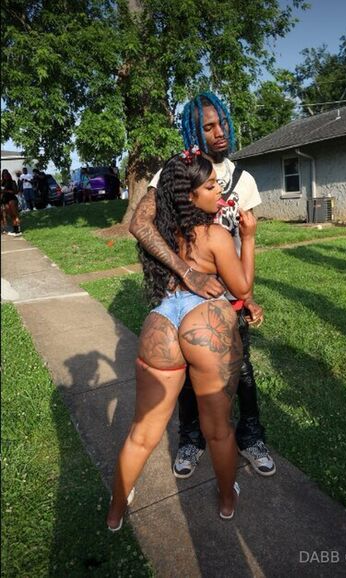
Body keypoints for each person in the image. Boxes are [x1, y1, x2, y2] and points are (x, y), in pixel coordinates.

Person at [107, 151, 257, 530]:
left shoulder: (165, 233)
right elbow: (242, 288)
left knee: (142, 433)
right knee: (218, 430)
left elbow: (142, 228)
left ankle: (115, 510)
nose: (219, 189)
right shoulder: (215, 235)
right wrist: (249, 238)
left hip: (161, 322)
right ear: (190, 196)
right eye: (210, 186)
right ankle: (227, 499)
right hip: (204, 324)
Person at [130, 92, 276, 478]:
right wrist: (187, 272)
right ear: (193, 131)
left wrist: (248, 297)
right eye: (208, 127)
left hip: (230, 296)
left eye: (222, 122)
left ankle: (251, 436)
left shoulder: (243, 181)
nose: (219, 132)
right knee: (186, 378)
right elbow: (140, 224)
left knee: (242, 372)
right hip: (186, 297)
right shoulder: (175, 171)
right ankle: (191, 439)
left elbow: (242, 240)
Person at [1, 169, 22, 236]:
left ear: (8, 175)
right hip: (5, 201)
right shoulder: (2, 183)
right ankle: (15, 229)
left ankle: (18, 229)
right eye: (3, 175)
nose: (5, 176)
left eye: (6, 174)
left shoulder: (12, 182)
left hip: (12, 199)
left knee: (15, 214)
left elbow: (15, 191)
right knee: (11, 216)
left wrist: (6, 191)